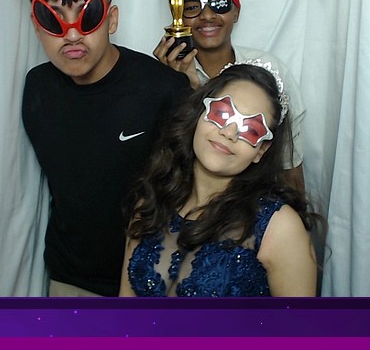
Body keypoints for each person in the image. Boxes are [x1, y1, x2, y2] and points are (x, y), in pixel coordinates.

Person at [14, 0, 190, 297]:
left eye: (88, 15)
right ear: (35, 25)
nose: (72, 35)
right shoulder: (37, 89)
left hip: (152, 280)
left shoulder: (163, 89)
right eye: (53, 19)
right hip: (69, 279)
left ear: (111, 19)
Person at [121, 63, 319, 297]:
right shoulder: (151, 201)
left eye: (251, 129)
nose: (229, 132)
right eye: (222, 113)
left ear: (261, 151)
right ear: (199, 114)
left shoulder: (280, 228)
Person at [152, 0, 307, 194]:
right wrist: (173, 85)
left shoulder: (270, 70)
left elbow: (289, 162)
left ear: (236, 12)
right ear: (178, 16)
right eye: (192, 7)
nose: (207, 15)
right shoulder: (165, 74)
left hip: (255, 200)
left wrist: (296, 211)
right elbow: (163, 159)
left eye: (219, 4)